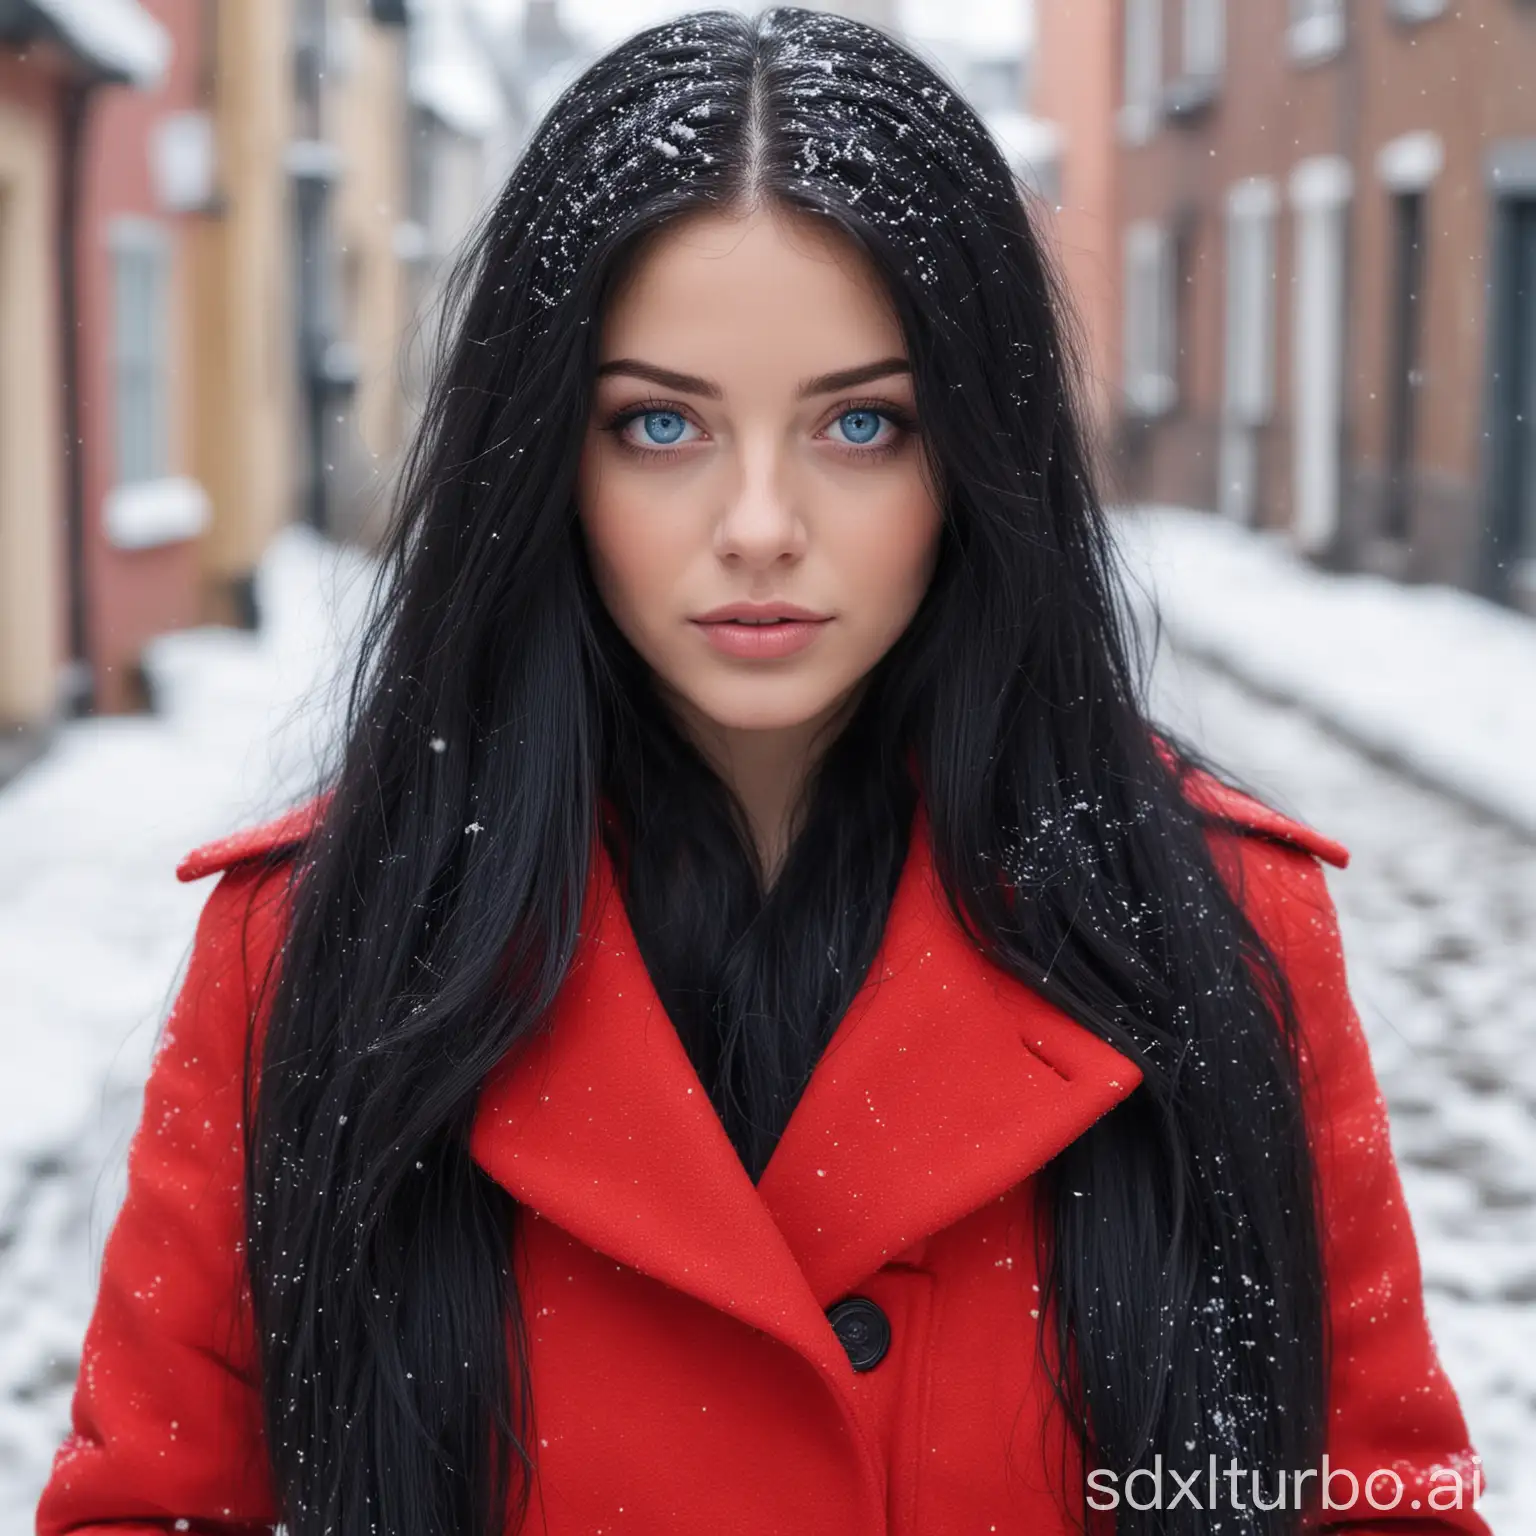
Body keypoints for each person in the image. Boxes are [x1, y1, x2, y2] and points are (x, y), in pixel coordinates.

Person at [36, 9, 1489, 1536]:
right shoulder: (314, 949)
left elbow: (1372, 1499)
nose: (757, 524)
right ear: (544, 453)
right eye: (660, 424)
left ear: (978, 451)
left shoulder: (1220, 925)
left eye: (861, 424)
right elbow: (156, 1504)